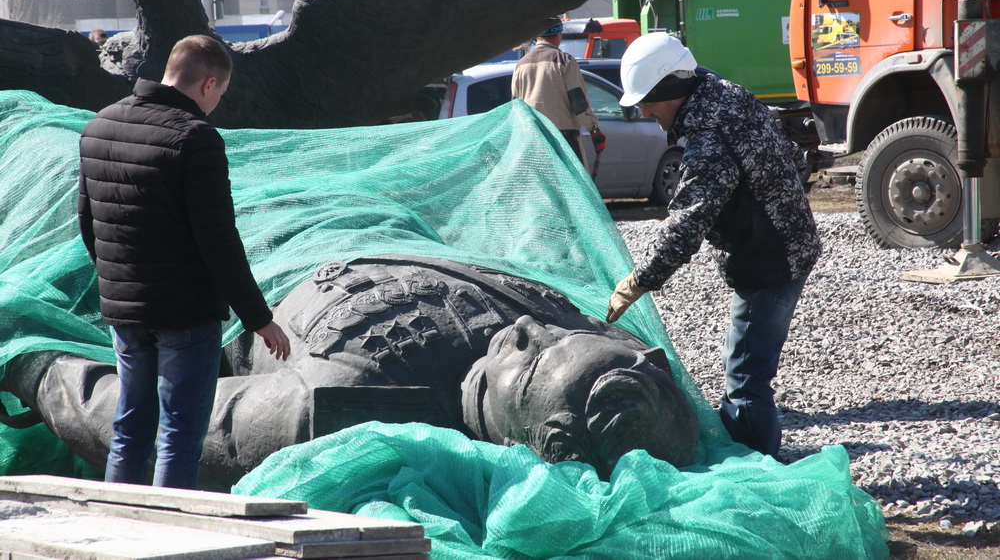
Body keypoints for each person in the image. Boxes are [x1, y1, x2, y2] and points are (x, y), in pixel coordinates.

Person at [1, 256, 698, 489]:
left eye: (533, 358)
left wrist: (31, 362)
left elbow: (158, 417)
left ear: (528, 438)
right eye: (561, 336)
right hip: (357, 226)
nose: (527, 328)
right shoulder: (568, 327)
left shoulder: (335, 406)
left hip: (250, 286)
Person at [77, 34, 291, 489]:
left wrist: (119, 283)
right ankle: (169, 529)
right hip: (185, 314)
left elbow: (88, 223)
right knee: (179, 434)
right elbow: (218, 241)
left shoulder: (99, 125)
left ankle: (115, 524)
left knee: (129, 430)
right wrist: (258, 318)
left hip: (124, 309)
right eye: (221, 93)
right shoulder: (196, 138)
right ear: (209, 84)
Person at [605, 33, 821, 460]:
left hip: (769, 262)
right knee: (747, 367)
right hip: (789, 245)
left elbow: (687, 223)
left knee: (745, 379)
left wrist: (637, 281)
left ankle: (755, 471)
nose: (644, 112)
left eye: (647, 102)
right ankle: (753, 456)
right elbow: (790, 159)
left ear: (670, 90)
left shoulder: (711, 139)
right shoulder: (727, 96)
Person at [511, 18, 598, 171]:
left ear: (538, 37)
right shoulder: (564, 60)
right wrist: (594, 129)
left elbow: (515, 106)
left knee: (541, 184)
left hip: (533, 138)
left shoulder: (521, 64)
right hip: (564, 138)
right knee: (574, 183)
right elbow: (578, 101)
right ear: (559, 35)